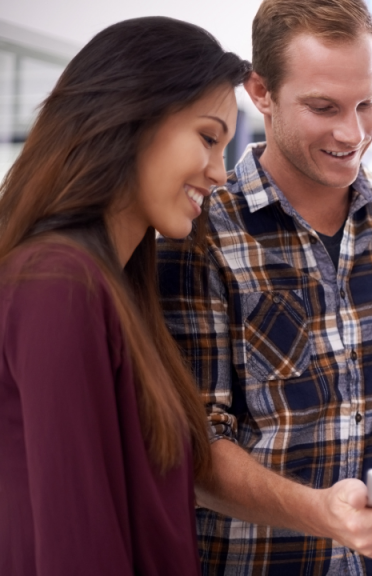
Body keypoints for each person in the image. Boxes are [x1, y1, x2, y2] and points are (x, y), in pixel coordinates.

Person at [156, 1, 372, 574]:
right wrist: (322, 514)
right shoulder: (197, 234)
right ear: (261, 91)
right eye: (323, 107)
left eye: (367, 103)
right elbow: (194, 451)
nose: (352, 132)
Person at [0, 16, 249, 576]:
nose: (220, 173)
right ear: (131, 117)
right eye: (208, 138)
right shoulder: (58, 284)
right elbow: (77, 547)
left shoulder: (114, 287)